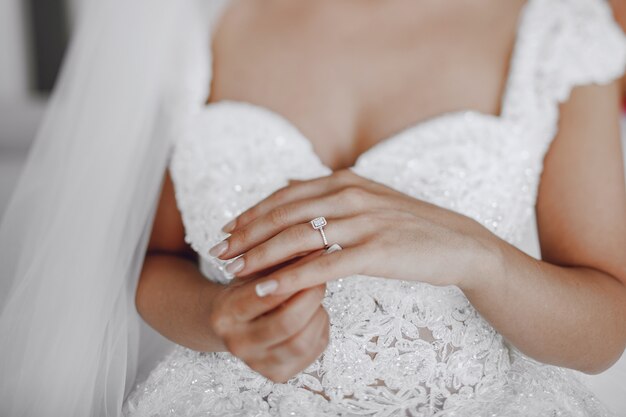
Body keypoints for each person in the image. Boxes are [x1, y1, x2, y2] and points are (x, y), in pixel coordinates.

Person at [1, 0, 626, 416]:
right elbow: (159, 264)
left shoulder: (554, 30)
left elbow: (606, 328)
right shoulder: (196, 20)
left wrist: (477, 255)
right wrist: (222, 315)